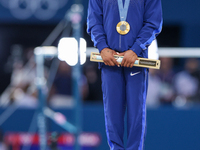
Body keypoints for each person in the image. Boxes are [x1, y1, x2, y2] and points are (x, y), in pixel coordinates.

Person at [87, 0, 162, 149]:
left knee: (136, 113)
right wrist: (102, 47)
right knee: (112, 113)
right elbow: (94, 20)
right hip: (110, 59)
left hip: (136, 59)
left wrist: (136, 48)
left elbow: (154, 22)